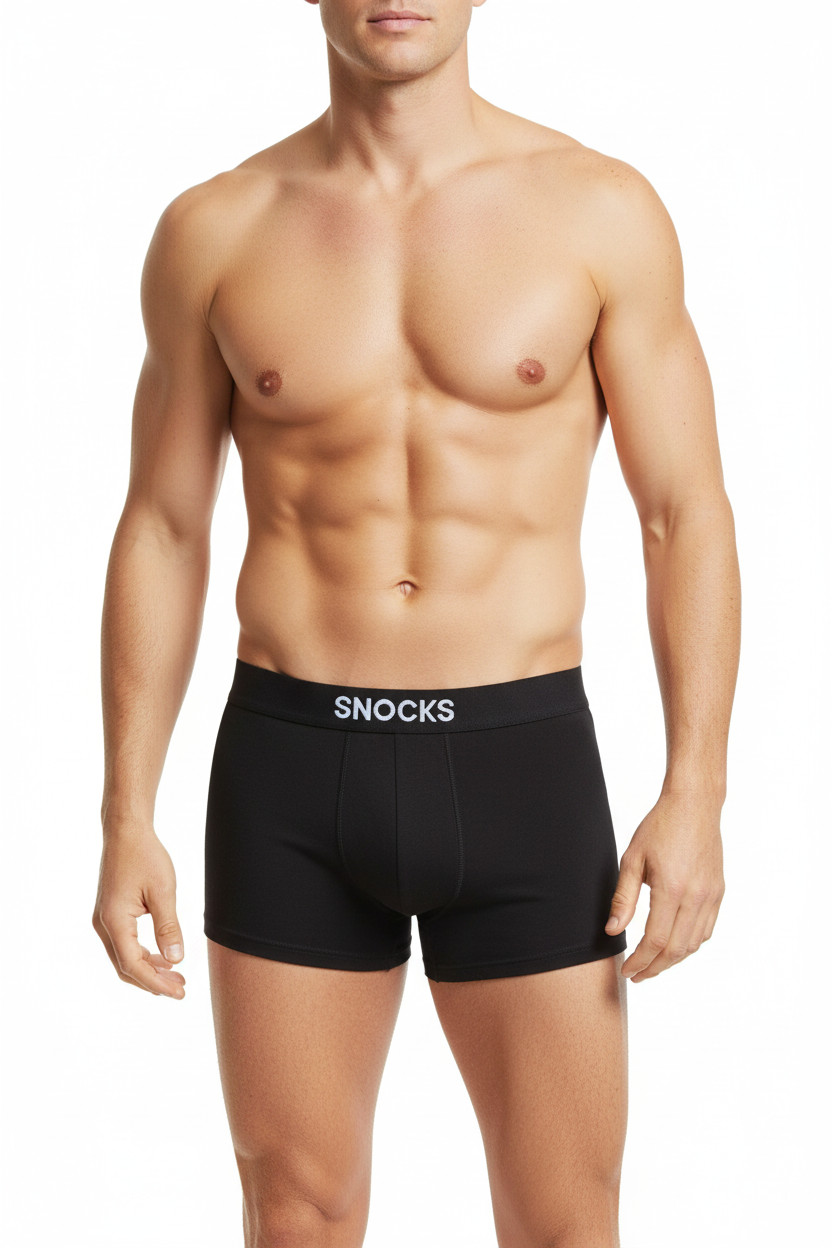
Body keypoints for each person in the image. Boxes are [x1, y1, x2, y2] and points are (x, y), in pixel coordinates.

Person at [92, 2, 741, 1244]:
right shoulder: (216, 228)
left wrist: (696, 791)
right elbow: (164, 527)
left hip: (520, 767)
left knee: (565, 1219)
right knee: (296, 1210)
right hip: (290, 768)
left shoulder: (597, 212)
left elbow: (683, 514)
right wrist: (127, 813)